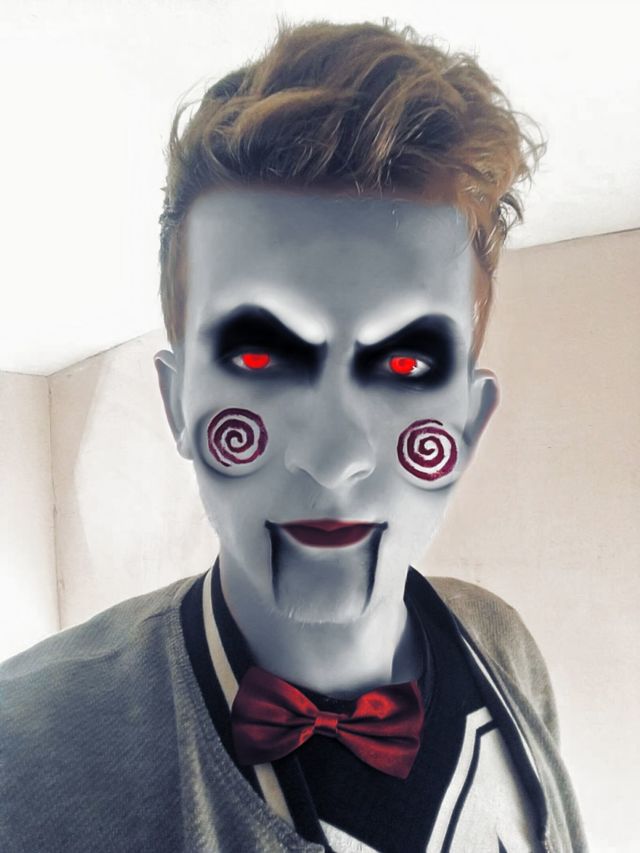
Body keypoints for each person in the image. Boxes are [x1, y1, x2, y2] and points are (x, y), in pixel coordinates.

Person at [1, 19, 587, 853]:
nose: (336, 456)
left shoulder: (502, 645)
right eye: (259, 355)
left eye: (406, 363)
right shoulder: (25, 751)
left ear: (467, 422)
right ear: (177, 403)